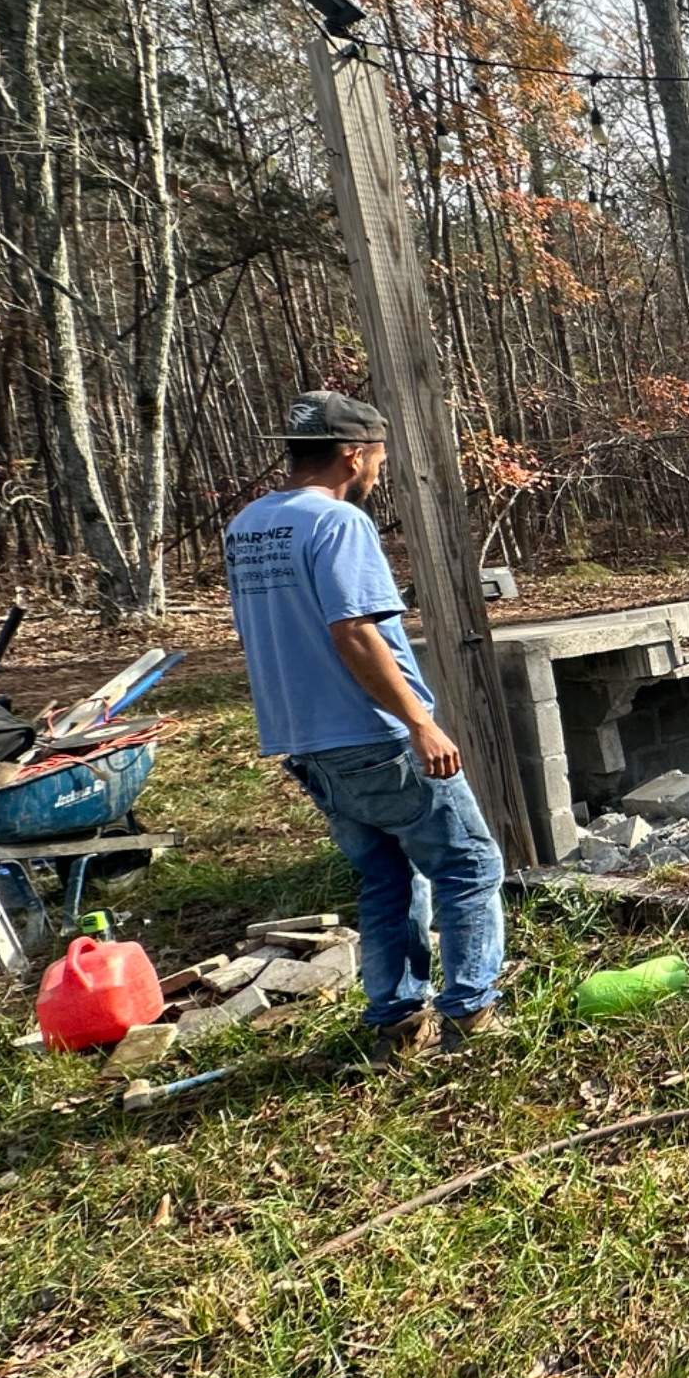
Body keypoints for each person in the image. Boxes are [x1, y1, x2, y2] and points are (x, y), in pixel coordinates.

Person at [224, 391, 505, 1057]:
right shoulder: (339, 523)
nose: (381, 468)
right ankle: (471, 1017)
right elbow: (353, 632)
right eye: (379, 454)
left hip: (302, 740)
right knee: (469, 865)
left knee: (385, 875)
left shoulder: (250, 526)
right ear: (354, 453)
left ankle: (396, 1023)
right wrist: (419, 722)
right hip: (372, 737)